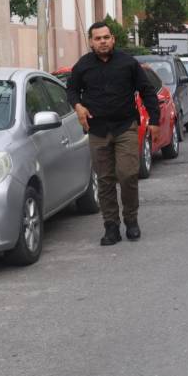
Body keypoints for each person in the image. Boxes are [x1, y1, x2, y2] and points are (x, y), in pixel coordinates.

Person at [66, 22, 161, 245]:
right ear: (91, 42)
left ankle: (131, 220)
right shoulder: (83, 66)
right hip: (97, 130)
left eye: (106, 37)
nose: (103, 42)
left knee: (127, 175)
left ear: (113, 39)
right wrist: (78, 106)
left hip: (125, 127)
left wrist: (155, 121)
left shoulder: (128, 63)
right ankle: (111, 226)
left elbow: (147, 91)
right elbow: (71, 89)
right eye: (98, 38)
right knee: (105, 180)